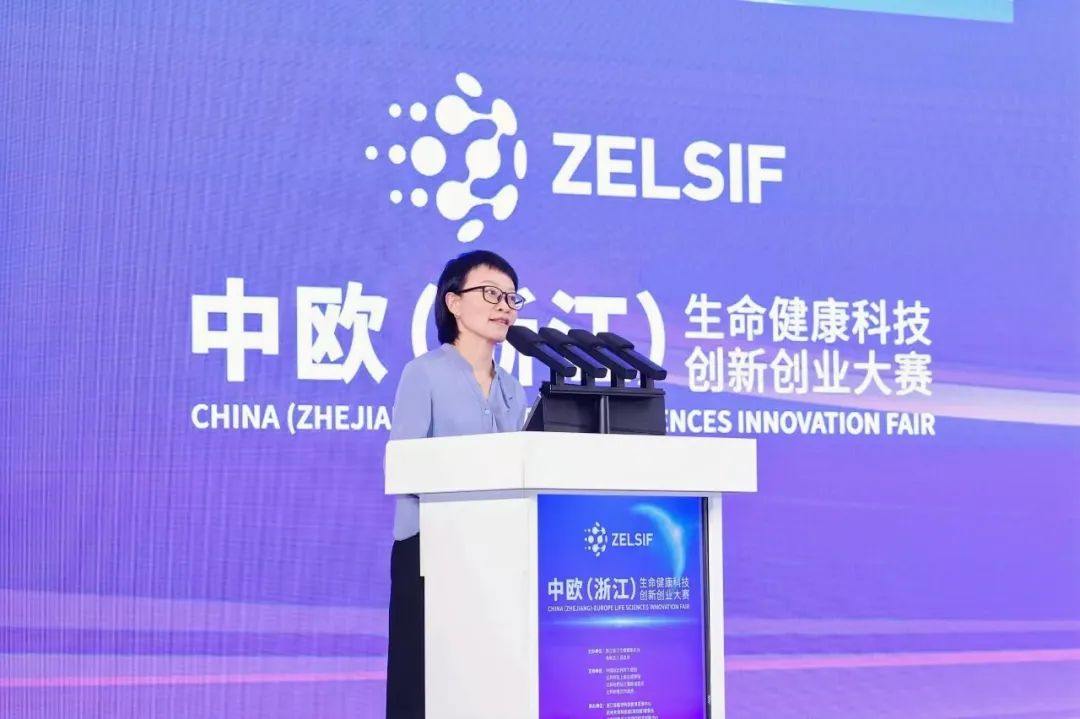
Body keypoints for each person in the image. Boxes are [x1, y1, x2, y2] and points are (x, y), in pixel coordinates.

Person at [384, 250, 529, 719]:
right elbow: (403, 466)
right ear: (453, 302)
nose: (504, 306)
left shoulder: (513, 387)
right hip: (430, 549)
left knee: (484, 680)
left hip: (497, 552)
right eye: (490, 293)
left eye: (511, 298)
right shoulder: (424, 373)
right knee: (424, 681)